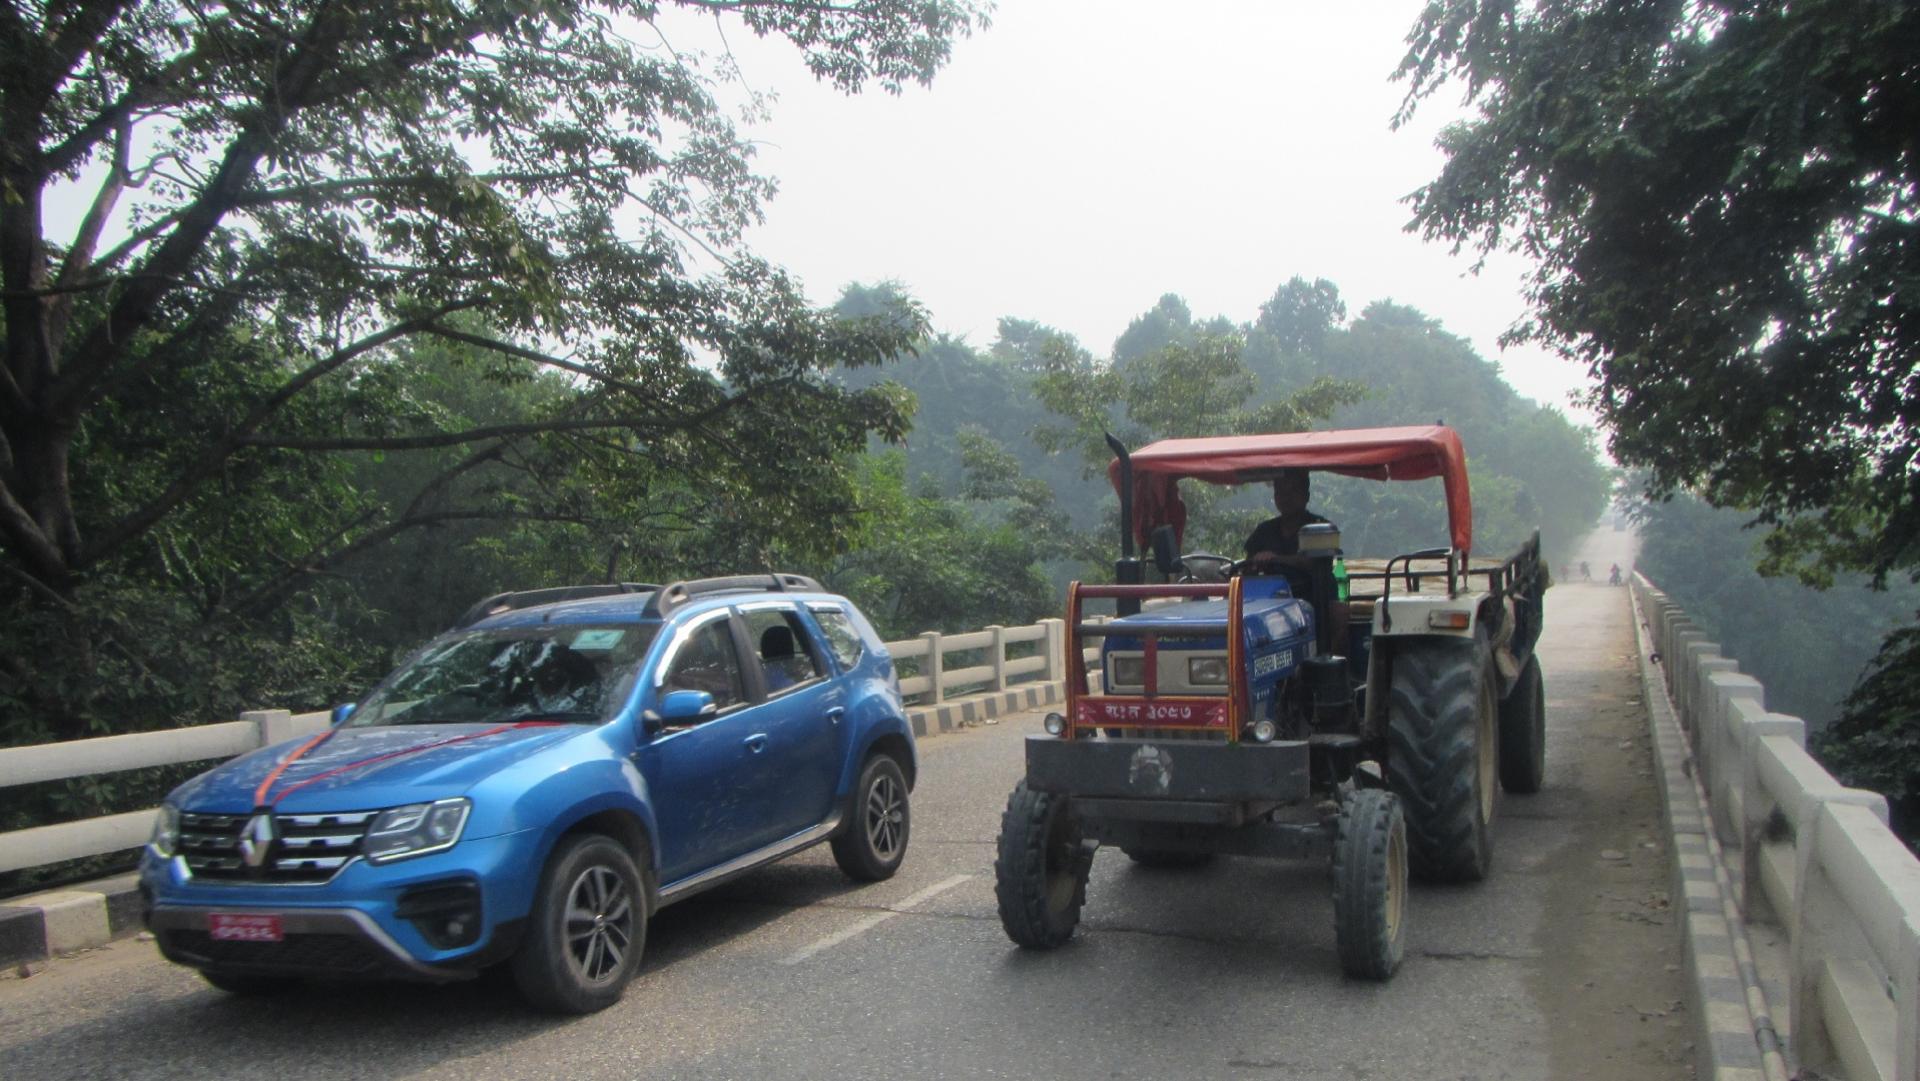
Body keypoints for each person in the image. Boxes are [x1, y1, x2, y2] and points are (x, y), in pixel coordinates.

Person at [1244, 468, 1331, 562]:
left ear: (1306, 496)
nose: (1286, 497)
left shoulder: (1321, 527)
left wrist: (1275, 559)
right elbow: (1247, 567)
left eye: (1293, 491)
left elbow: (1314, 563)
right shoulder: (1263, 531)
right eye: (1280, 491)